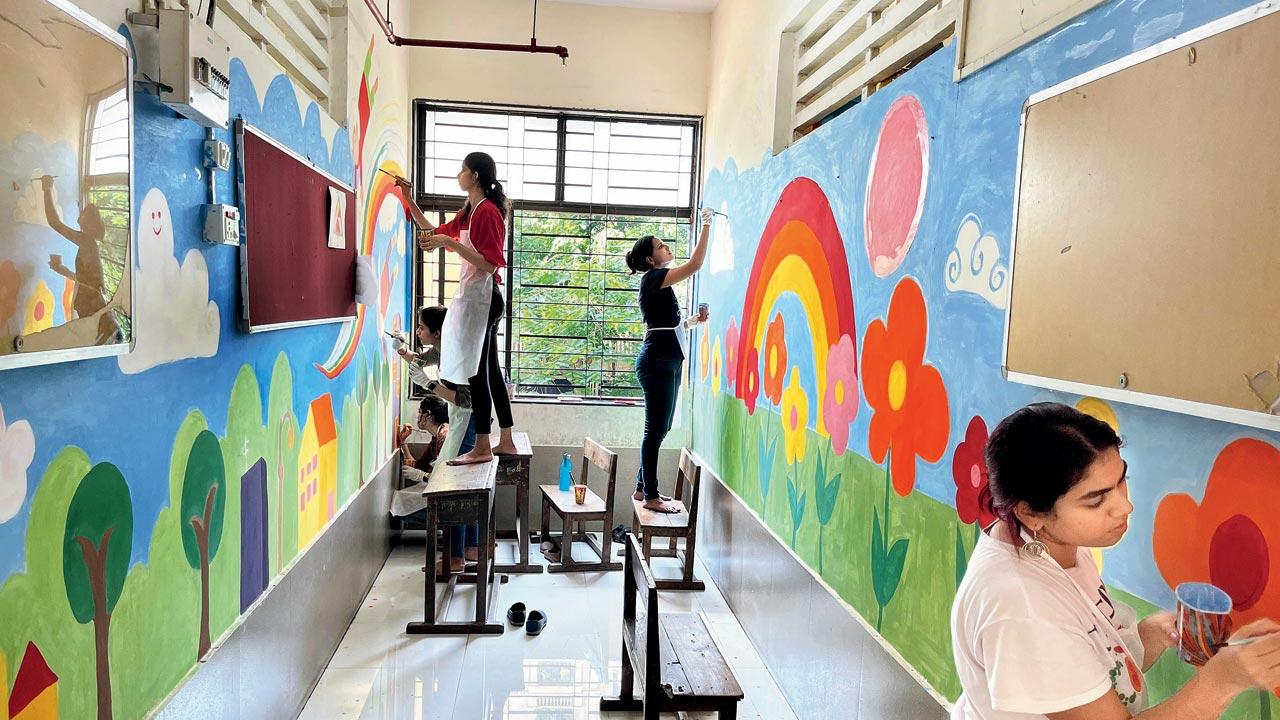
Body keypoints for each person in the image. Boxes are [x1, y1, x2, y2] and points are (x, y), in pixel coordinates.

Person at [951, 402, 1280, 720]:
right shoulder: (1022, 607)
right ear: (1031, 513)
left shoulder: (1053, 542)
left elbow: (1090, 661)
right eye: (1096, 501)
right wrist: (1222, 682)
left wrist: (1148, 635)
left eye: (1121, 480)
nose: (1124, 507)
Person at [391, 155, 517, 466]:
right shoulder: (470, 211)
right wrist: (408, 199)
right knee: (489, 371)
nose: (458, 174)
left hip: (484, 299)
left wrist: (450, 242)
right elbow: (433, 232)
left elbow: (490, 264)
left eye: (462, 169)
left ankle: (484, 446)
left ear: (474, 175)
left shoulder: (487, 212)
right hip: (477, 299)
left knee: (477, 374)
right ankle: (507, 440)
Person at [623, 208, 714, 514]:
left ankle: (640, 488)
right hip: (658, 362)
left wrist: (692, 322)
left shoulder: (658, 283)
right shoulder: (654, 278)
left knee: (661, 429)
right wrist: (706, 225)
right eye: (661, 246)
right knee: (655, 430)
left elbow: (665, 324)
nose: (666, 248)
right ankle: (651, 494)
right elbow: (697, 263)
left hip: (668, 359)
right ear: (650, 259)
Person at [40, 175, 107, 321]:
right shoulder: (90, 246)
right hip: (92, 309)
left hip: (92, 311)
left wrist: (46, 189)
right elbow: (83, 280)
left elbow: (54, 223)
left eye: (83, 213)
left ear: (89, 222)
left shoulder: (87, 242)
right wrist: (62, 269)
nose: (80, 213)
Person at [394, 305, 471, 409]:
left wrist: (428, 383)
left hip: (471, 418)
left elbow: (466, 400)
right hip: (458, 415)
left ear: (437, 333)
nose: (417, 332)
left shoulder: (459, 358)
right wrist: (401, 349)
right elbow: (419, 360)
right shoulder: (440, 349)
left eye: (422, 328)